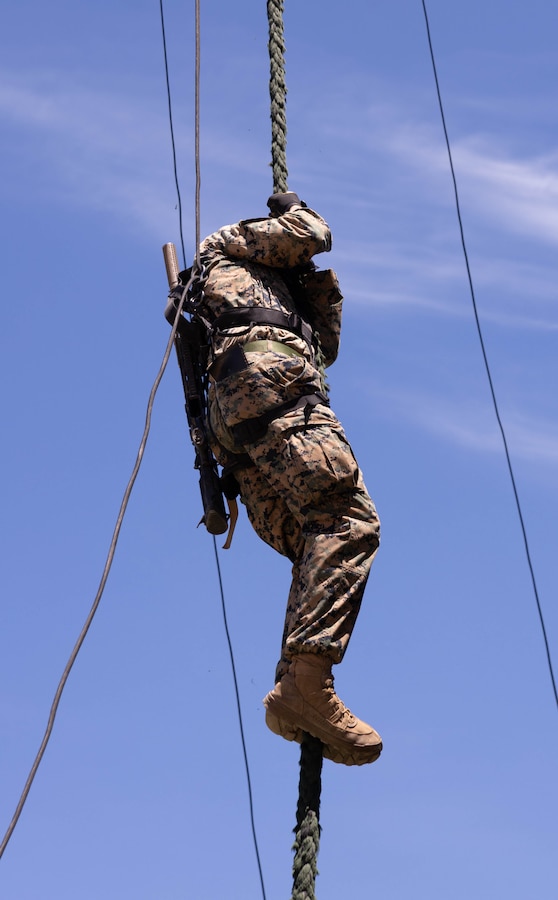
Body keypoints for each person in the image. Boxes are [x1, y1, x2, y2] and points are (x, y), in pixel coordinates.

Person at [192, 192, 382, 766]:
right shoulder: (227, 246)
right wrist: (297, 210)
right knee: (347, 520)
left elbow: (325, 345)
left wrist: (309, 282)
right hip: (271, 386)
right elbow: (312, 231)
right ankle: (308, 682)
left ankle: (291, 691)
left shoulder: (263, 289)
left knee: (313, 544)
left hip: (244, 416)